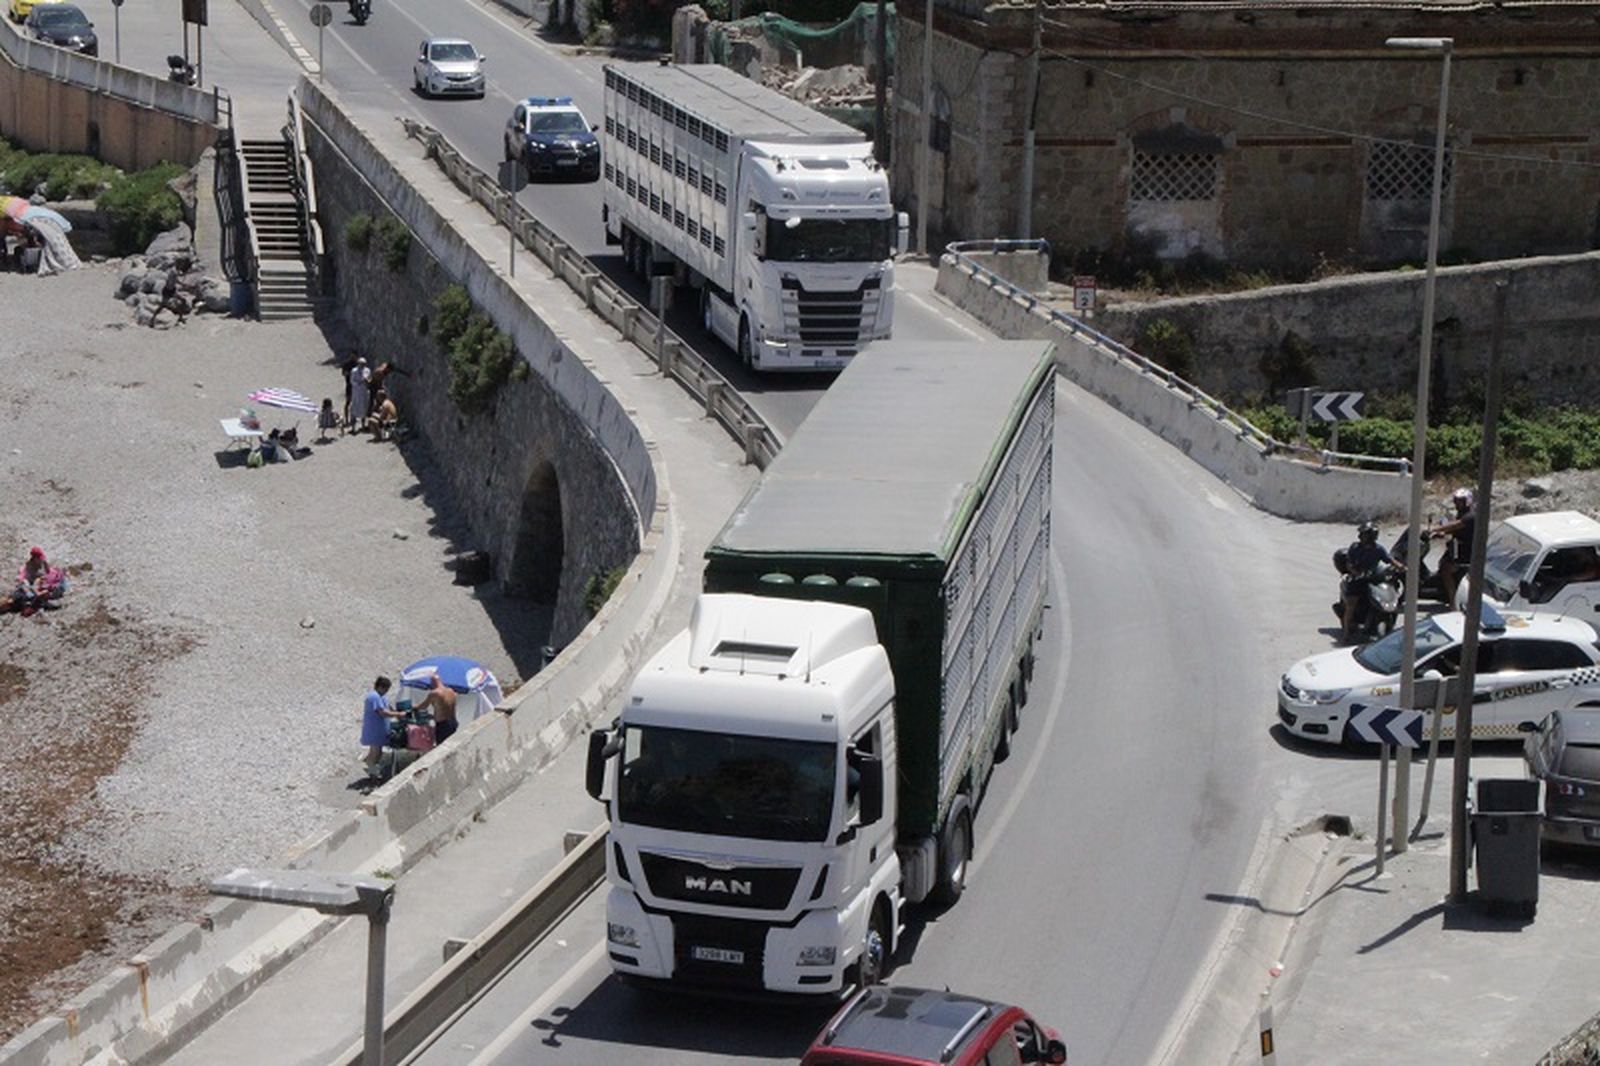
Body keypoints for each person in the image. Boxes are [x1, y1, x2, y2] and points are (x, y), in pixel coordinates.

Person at [1341, 522, 1394, 643]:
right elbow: (1349, 564)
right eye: (1362, 534)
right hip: (1357, 580)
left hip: (1373, 579)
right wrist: (1355, 572)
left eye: (1364, 534)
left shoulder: (1378, 549)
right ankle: (1346, 634)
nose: (1361, 536)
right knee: (1351, 605)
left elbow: (1389, 560)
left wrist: (1401, 567)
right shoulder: (1355, 548)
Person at [1427, 487, 1478, 602]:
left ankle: (1453, 600)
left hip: (1465, 553)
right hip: (1457, 549)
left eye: (1460, 501)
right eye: (1456, 501)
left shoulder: (1470, 516)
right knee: (1442, 563)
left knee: (1445, 569)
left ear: (1467, 501)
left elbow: (1455, 526)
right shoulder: (1461, 514)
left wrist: (1433, 529)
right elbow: (1455, 530)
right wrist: (1441, 534)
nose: (1457, 503)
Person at [359, 676, 405, 781]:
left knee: (378, 752)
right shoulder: (374, 697)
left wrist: (396, 712)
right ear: (380, 687)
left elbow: (388, 706)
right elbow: (382, 712)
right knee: (375, 752)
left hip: (380, 729)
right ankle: (372, 773)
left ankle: (373, 770)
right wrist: (397, 714)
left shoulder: (382, 696)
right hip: (374, 729)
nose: (386, 692)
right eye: (386, 689)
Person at [412, 673, 459, 744]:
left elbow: (423, 706)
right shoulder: (451, 691)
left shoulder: (435, 693)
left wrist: (413, 707)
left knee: (441, 747)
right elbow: (447, 708)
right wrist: (432, 716)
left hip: (443, 725)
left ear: (432, 683)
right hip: (453, 722)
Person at [348, 356, 372, 430]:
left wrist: (367, 381)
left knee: (364, 408)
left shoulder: (367, 370)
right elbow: (352, 381)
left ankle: (363, 425)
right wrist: (359, 382)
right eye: (361, 364)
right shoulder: (354, 371)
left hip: (364, 392)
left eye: (364, 364)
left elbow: (370, 378)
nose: (362, 366)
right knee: (354, 408)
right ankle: (353, 427)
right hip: (356, 393)